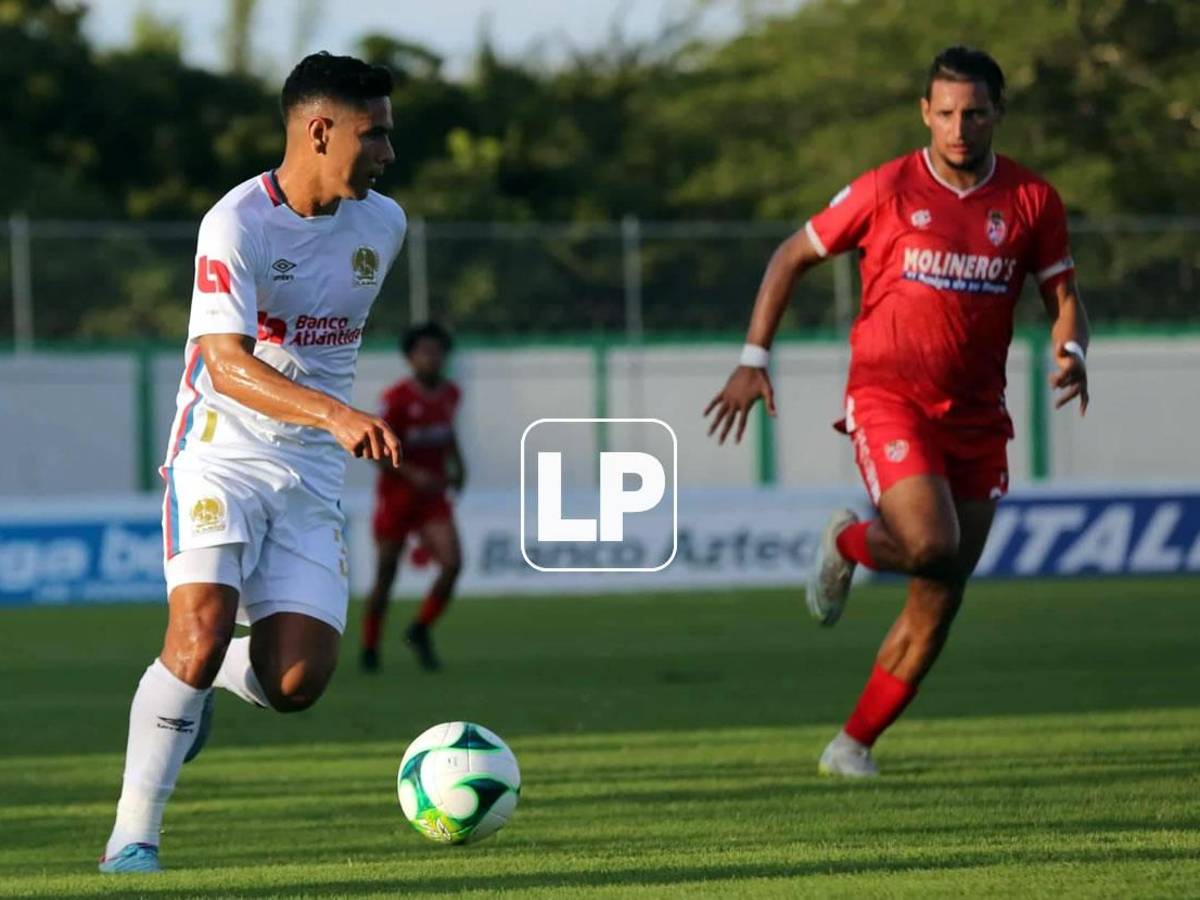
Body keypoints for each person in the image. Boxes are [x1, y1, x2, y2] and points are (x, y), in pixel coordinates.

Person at [704, 46, 1090, 778]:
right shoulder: (888, 187)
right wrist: (753, 360)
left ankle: (851, 747)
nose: (959, 127)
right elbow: (791, 255)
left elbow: (1063, 297)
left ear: (997, 114)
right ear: (924, 112)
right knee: (928, 542)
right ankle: (849, 542)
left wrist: (1074, 352)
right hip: (890, 397)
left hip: (979, 416)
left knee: (941, 592)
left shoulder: (1033, 201)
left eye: (974, 113)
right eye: (945, 113)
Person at [99, 52, 407, 873]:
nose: (387, 153)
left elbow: (314, 345)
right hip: (220, 450)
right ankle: (133, 840)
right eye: (374, 135)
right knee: (196, 632)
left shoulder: (384, 224)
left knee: (296, 682)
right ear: (319, 131)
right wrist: (339, 413)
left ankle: (190, 687)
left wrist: (327, 423)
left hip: (309, 470)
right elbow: (225, 361)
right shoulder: (234, 223)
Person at [360, 322, 465, 673]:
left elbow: (447, 435)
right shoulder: (396, 399)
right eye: (425, 352)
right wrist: (410, 473)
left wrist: (459, 465)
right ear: (410, 358)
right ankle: (370, 648)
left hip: (432, 498)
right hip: (398, 498)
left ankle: (419, 629)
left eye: (437, 352)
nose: (432, 358)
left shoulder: (450, 393)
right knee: (386, 576)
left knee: (452, 563)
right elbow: (375, 451)